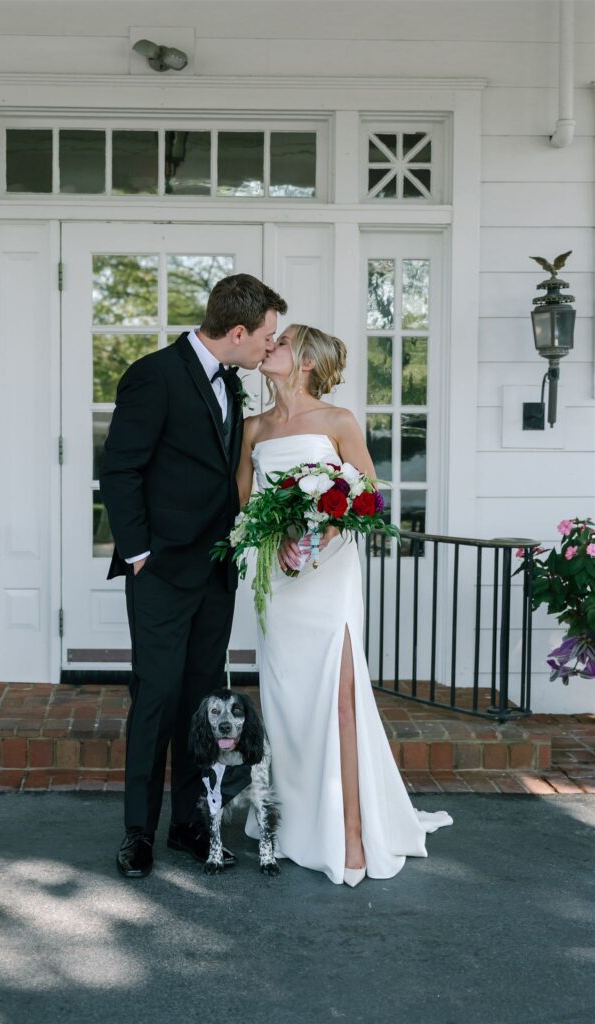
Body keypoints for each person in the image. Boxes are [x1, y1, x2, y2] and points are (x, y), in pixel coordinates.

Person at [236, 324, 452, 887]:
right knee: (285, 701)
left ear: (304, 361)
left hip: (329, 574)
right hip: (279, 581)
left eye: (280, 343)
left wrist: (320, 536)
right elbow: (242, 505)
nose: (269, 348)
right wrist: (272, 540)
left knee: (341, 700)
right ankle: (293, 823)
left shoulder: (337, 422)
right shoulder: (253, 427)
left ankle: (352, 833)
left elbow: (369, 495)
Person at [100, 274, 287, 879]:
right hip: (160, 569)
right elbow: (121, 469)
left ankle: (188, 825)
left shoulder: (233, 381)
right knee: (155, 697)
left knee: (204, 705)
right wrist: (137, 553)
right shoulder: (154, 375)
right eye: (266, 336)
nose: (269, 347)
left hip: (215, 571)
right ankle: (137, 833)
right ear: (237, 332)